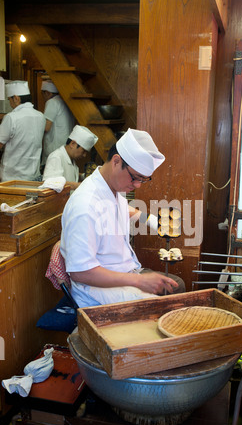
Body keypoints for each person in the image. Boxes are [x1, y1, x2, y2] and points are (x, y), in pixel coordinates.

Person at [60, 128, 185, 308]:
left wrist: (151, 220)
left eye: (143, 180)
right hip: (98, 290)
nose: (137, 186)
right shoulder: (85, 204)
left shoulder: (111, 187)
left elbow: (117, 209)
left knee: (177, 286)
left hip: (124, 273)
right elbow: (80, 272)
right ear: (117, 161)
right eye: (135, 178)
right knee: (168, 307)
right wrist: (138, 282)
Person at [0, 80, 46, 182]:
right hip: (33, 176)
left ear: (16, 98)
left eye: (9, 100)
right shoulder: (40, 116)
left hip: (12, 178)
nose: (10, 104)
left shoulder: (12, 117)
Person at [42, 125, 98, 191]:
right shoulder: (56, 157)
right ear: (73, 144)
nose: (84, 155)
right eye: (83, 151)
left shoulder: (71, 159)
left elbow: (69, 175)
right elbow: (51, 183)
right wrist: (81, 186)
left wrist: (84, 176)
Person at [41, 80, 75, 168]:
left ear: (47, 93)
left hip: (54, 148)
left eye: (43, 94)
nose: (43, 97)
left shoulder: (52, 102)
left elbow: (46, 127)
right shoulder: (64, 102)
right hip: (65, 147)